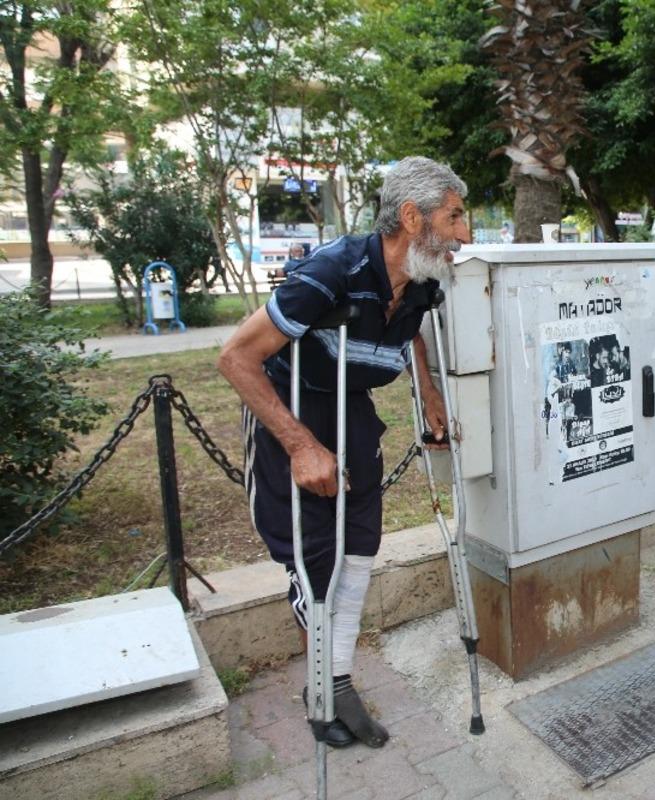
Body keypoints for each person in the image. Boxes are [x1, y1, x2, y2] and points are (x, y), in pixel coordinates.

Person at [217, 156, 468, 749]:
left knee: (358, 552)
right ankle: (326, 687)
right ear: (412, 217)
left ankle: (335, 683)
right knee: (315, 563)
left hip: (352, 408)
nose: (466, 234)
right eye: (455, 217)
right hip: (292, 408)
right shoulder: (329, 273)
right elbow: (235, 357)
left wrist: (427, 392)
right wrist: (302, 446)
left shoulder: (423, 277)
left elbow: (411, 330)